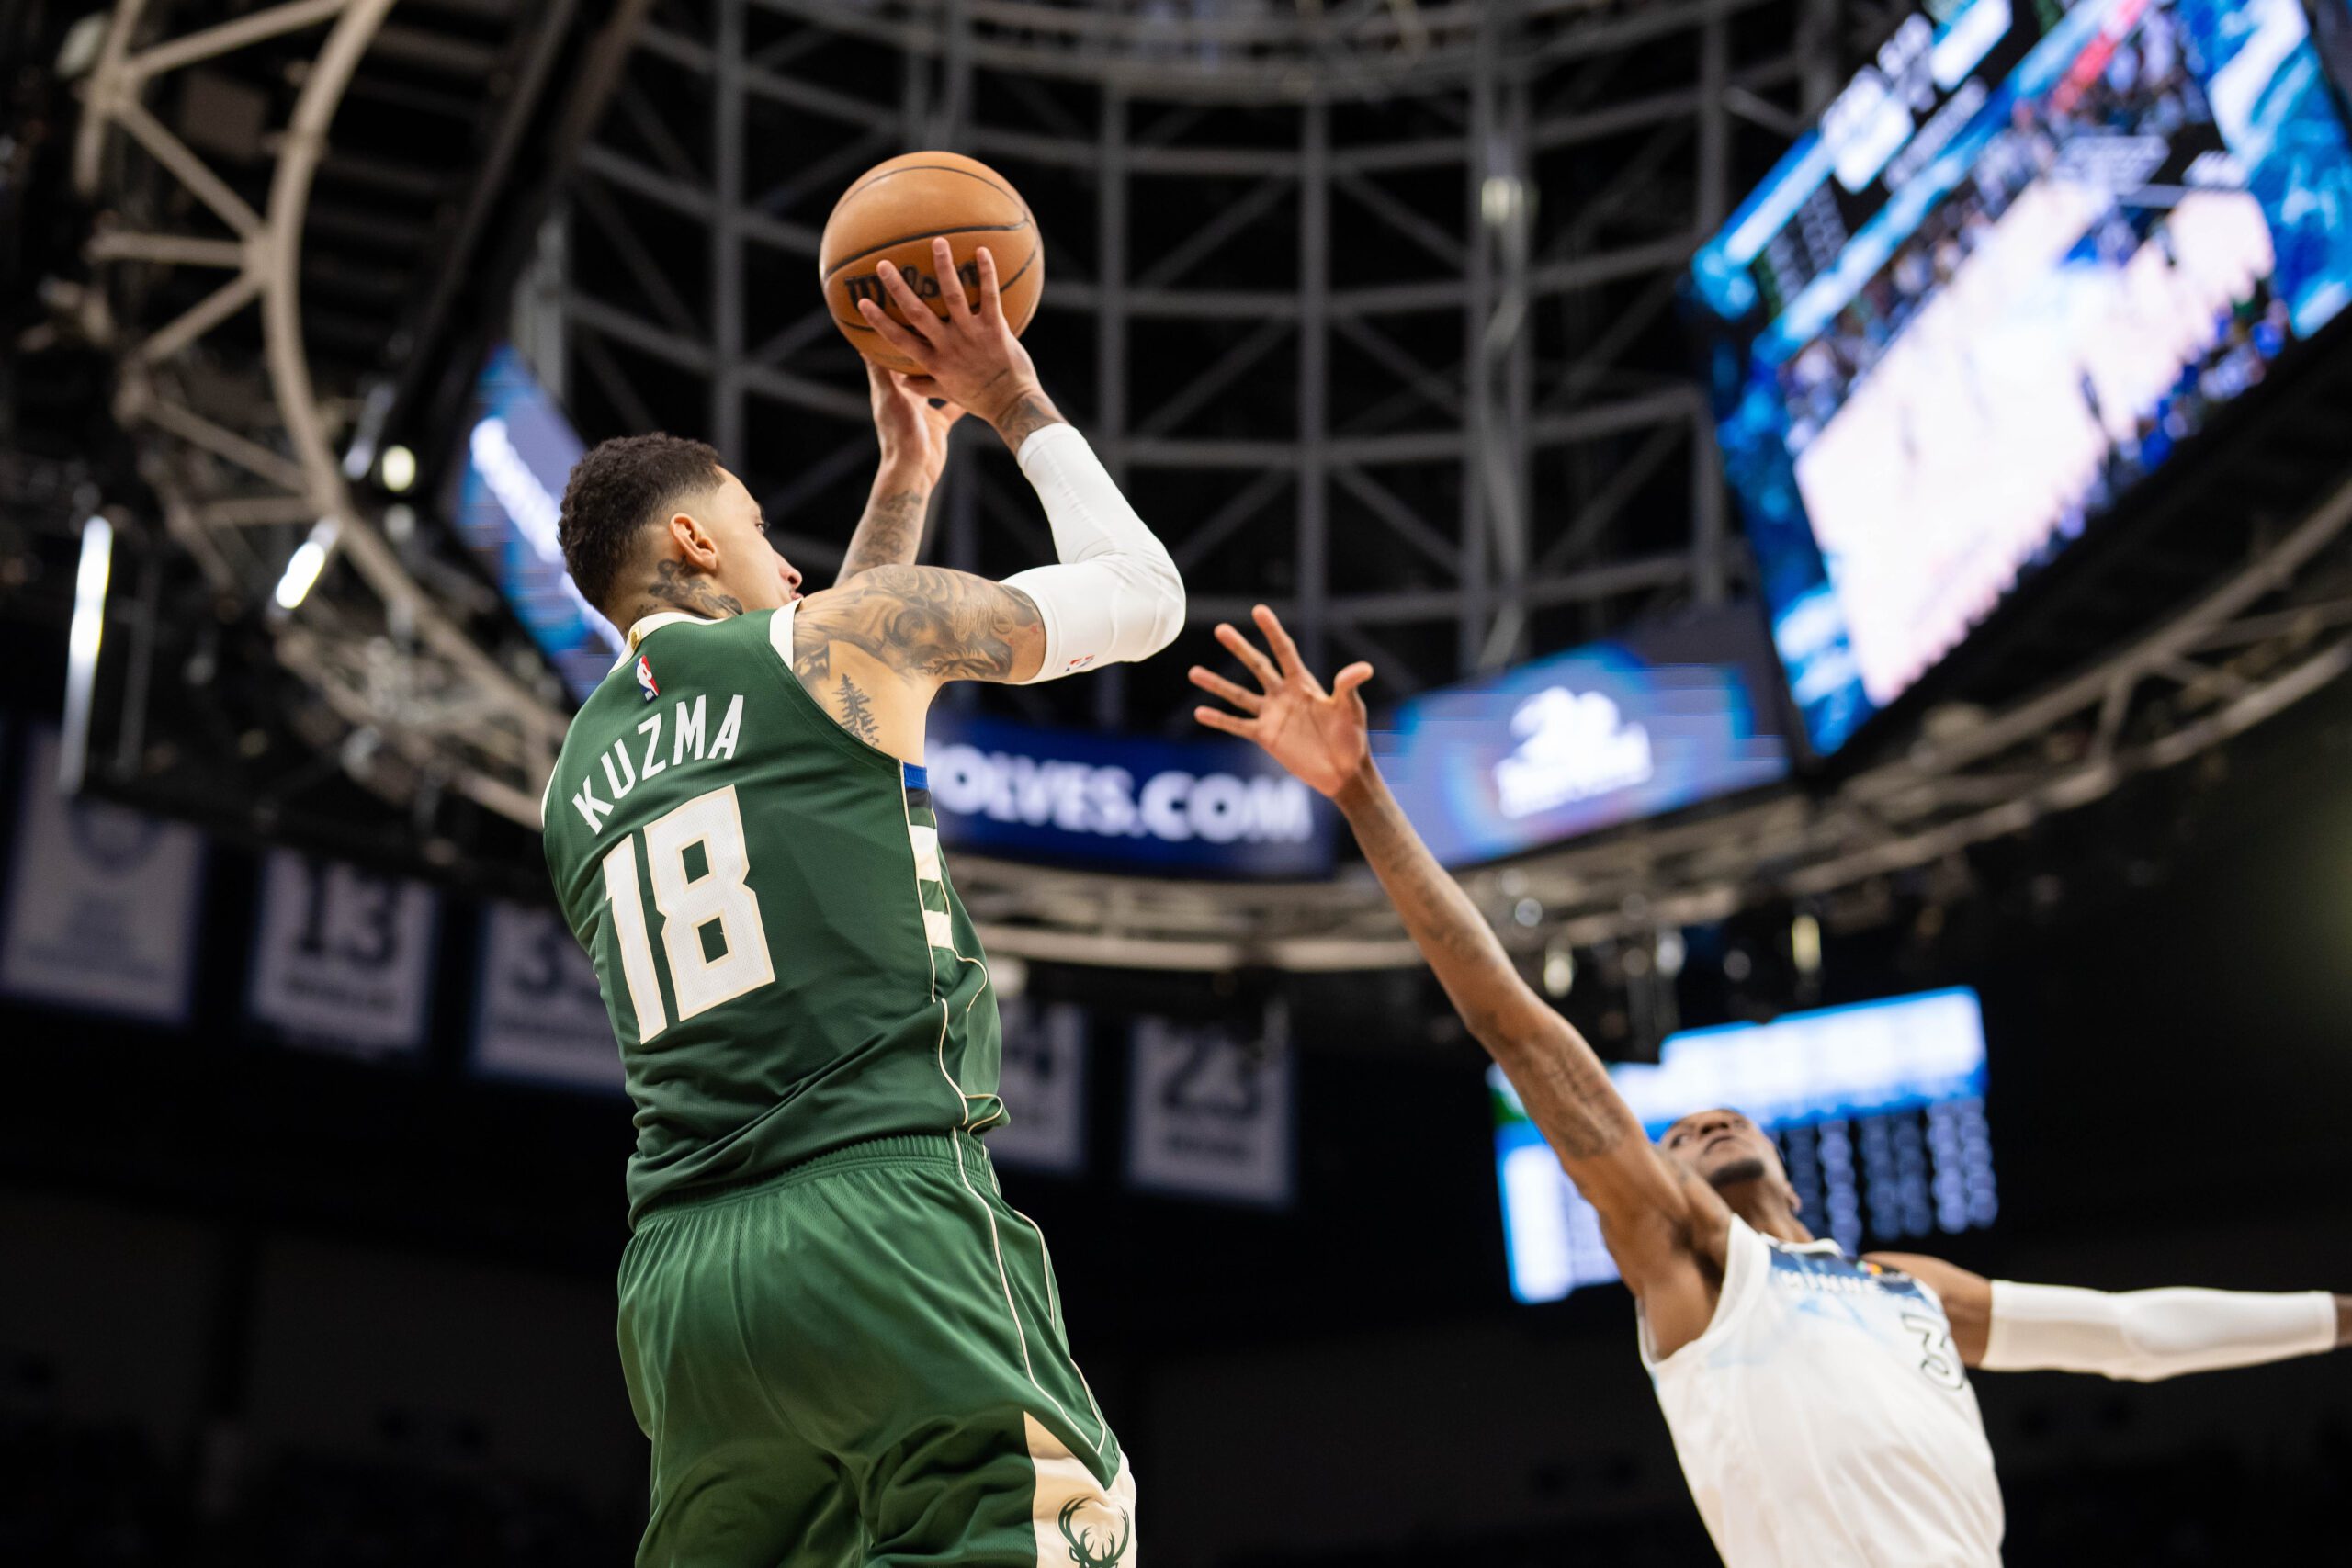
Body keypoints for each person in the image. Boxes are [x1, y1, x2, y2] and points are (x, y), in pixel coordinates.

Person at [1191, 604, 2350, 1568]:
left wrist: (2339, 1319)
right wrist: (1363, 798)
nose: (1700, 1123)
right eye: (1681, 1135)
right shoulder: (1696, 1259)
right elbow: (1522, 1033)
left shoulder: (1907, 1290)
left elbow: (2130, 1335)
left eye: (1718, 1119)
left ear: (1787, 1161)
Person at [544, 241, 1178, 1567]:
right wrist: (1013, 400)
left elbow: (821, 717)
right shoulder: (833, 642)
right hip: (879, 1207)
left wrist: (906, 477)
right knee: (1065, 1529)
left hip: (682, 1284)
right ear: (694, 538)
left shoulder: (573, 786)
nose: (790, 563)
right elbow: (1144, 597)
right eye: (766, 531)